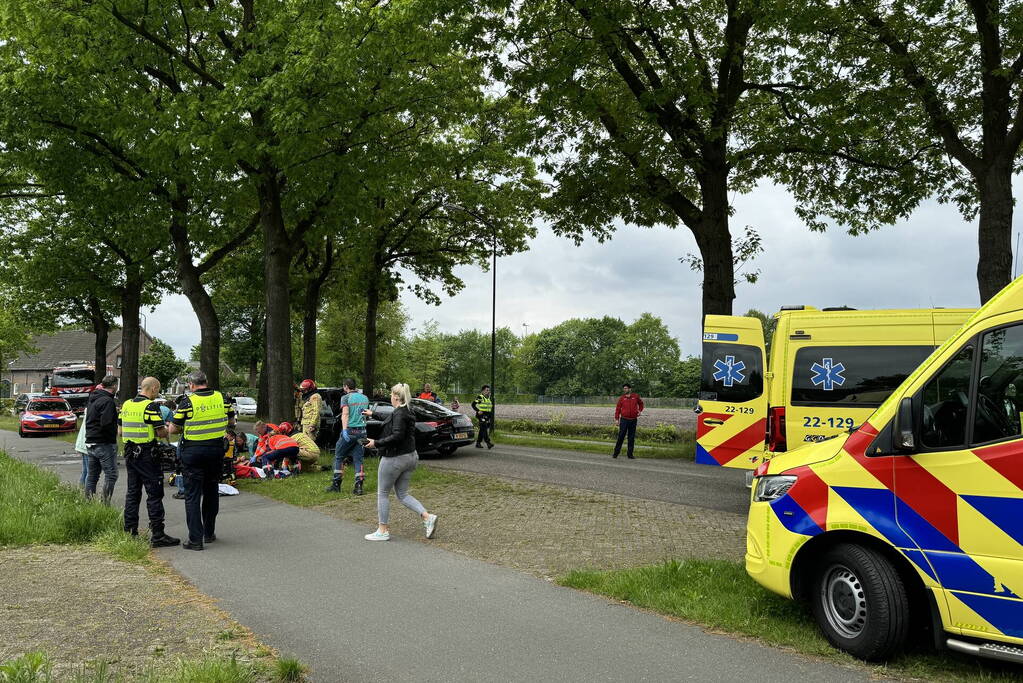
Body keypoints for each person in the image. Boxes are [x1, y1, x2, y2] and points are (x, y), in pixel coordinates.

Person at [167, 370, 235, 551]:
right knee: (211, 491)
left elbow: (173, 429)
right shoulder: (222, 399)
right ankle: (209, 533)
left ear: (191, 385)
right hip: (215, 451)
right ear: (206, 381)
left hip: (193, 453)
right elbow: (232, 421)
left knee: (192, 496)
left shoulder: (187, 402)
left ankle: (195, 540)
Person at [363, 383, 437, 541]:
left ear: (396, 397)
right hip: (411, 457)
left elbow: (397, 435)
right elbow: (390, 419)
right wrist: (372, 413)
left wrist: (376, 443)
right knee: (402, 494)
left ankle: (383, 530)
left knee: (383, 493)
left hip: (395, 458)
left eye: (391, 394)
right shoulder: (407, 410)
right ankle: (427, 517)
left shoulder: (399, 414)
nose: (390, 396)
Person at [119, 376, 180, 547]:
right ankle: (158, 534)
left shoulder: (127, 405)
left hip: (130, 453)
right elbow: (161, 433)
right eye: (158, 390)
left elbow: (120, 432)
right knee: (154, 494)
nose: (157, 393)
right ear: (153, 388)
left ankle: (130, 531)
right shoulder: (150, 406)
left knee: (133, 493)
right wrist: (167, 428)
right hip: (147, 455)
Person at [326, 378, 370, 495]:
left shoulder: (345, 398)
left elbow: (345, 414)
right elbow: (365, 414)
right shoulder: (365, 398)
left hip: (350, 431)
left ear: (346, 387)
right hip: (362, 432)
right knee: (358, 459)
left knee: (339, 456)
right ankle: (359, 486)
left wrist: (345, 430)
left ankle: (336, 484)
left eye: (344, 387)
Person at [84, 375, 120, 504]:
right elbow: (106, 423)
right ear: (114, 386)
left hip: (90, 441)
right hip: (103, 443)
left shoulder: (94, 398)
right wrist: (112, 435)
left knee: (92, 475)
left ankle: (89, 502)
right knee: (111, 475)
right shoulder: (107, 401)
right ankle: (105, 504)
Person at [612, 383, 644, 459]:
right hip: (624, 420)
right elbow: (618, 409)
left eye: (626, 388)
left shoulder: (635, 396)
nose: (625, 390)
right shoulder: (622, 398)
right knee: (621, 436)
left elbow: (641, 404)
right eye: (624, 388)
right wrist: (617, 419)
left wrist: (640, 411)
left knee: (631, 438)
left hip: (633, 420)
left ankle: (630, 454)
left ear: (630, 389)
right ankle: (616, 453)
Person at [471, 384, 494, 449]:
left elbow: (489, 409)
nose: (488, 391)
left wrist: (490, 417)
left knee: (482, 429)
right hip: (481, 415)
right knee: (484, 428)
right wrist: (478, 410)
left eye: (489, 390)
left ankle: (478, 443)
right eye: (487, 390)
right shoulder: (480, 397)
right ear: (483, 391)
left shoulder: (488, 399)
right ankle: (488, 443)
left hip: (487, 416)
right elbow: (473, 404)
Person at [74, 408, 89, 489]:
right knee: (89, 472)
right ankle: (87, 494)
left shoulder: (88, 411)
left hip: (82, 443)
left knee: (85, 470)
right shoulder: (92, 412)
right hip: (87, 444)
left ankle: (80, 490)